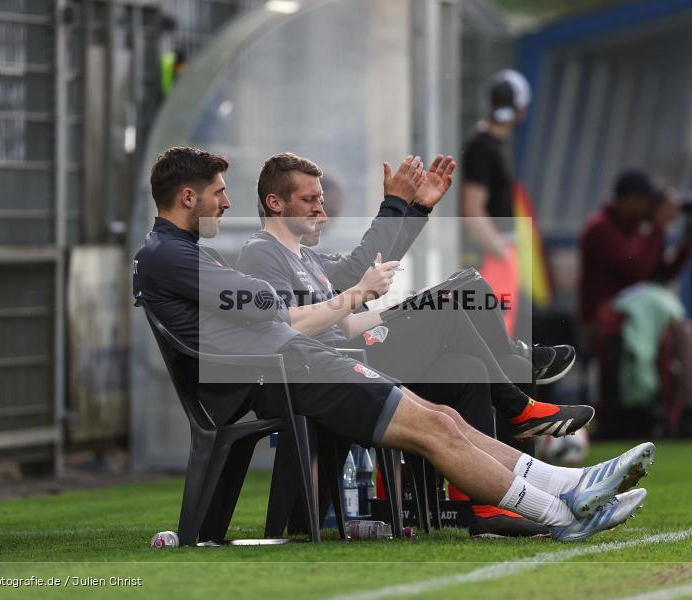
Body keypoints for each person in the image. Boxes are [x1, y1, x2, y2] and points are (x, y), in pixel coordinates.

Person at [132, 146, 654, 542]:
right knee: (437, 418)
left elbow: (307, 294)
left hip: (306, 363)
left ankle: (569, 485)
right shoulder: (180, 254)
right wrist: (352, 297)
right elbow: (273, 310)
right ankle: (561, 506)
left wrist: (403, 209)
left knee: (446, 417)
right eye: (218, 192)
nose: (225, 201)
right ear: (187, 198)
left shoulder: (201, 255)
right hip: (294, 371)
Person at [236, 152, 594, 536]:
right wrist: (394, 209)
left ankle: (488, 509)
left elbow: (350, 314)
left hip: (350, 351)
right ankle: (517, 397)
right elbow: (294, 324)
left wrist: (417, 217)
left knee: (465, 350)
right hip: (337, 370)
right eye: (310, 200)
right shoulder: (261, 252)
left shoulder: (307, 257)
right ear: (275, 203)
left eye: (320, 200)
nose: (321, 210)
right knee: (452, 306)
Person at [579, 169, 692, 439]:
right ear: (627, 200)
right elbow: (637, 271)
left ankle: (684, 412)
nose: (649, 207)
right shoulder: (600, 229)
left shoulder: (637, 231)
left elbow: (661, 273)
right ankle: (686, 416)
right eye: (645, 200)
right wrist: (658, 227)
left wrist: (687, 242)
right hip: (604, 323)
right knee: (682, 331)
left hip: (636, 320)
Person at [460, 69, 535, 344]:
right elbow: (472, 209)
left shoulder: (494, 144)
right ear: (521, 109)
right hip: (492, 256)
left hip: (498, 253)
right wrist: (500, 250)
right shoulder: (482, 146)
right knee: (496, 337)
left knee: (505, 333)